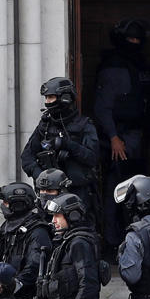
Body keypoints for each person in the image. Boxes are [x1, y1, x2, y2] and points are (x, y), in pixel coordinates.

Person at [94, 18, 150, 255]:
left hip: (135, 136)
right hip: (120, 140)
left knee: (134, 189)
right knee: (119, 191)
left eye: (137, 40)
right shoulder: (114, 67)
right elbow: (103, 107)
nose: (135, 43)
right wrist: (113, 137)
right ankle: (113, 241)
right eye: (130, 39)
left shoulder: (136, 64)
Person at [21, 77, 99, 217]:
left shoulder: (84, 125)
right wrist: (40, 176)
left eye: (51, 97)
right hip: (49, 194)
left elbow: (92, 158)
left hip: (76, 193)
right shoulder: (44, 125)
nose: (47, 102)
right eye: (46, 98)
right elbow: (27, 157)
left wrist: (68, 145)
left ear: (65, 98)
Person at [37, 194, 101, 299]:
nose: (53, 221)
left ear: (72, 216)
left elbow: (89, 282)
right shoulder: (67, 240)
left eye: (57, 216)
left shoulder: (79, 243)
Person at [0, 182, 52, 299]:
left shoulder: (38, 232)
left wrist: (9, 288)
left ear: (18, 204)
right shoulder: (8, 227)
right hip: (5, 296)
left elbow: (33, 269)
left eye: (6, 203)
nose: (3, 206)